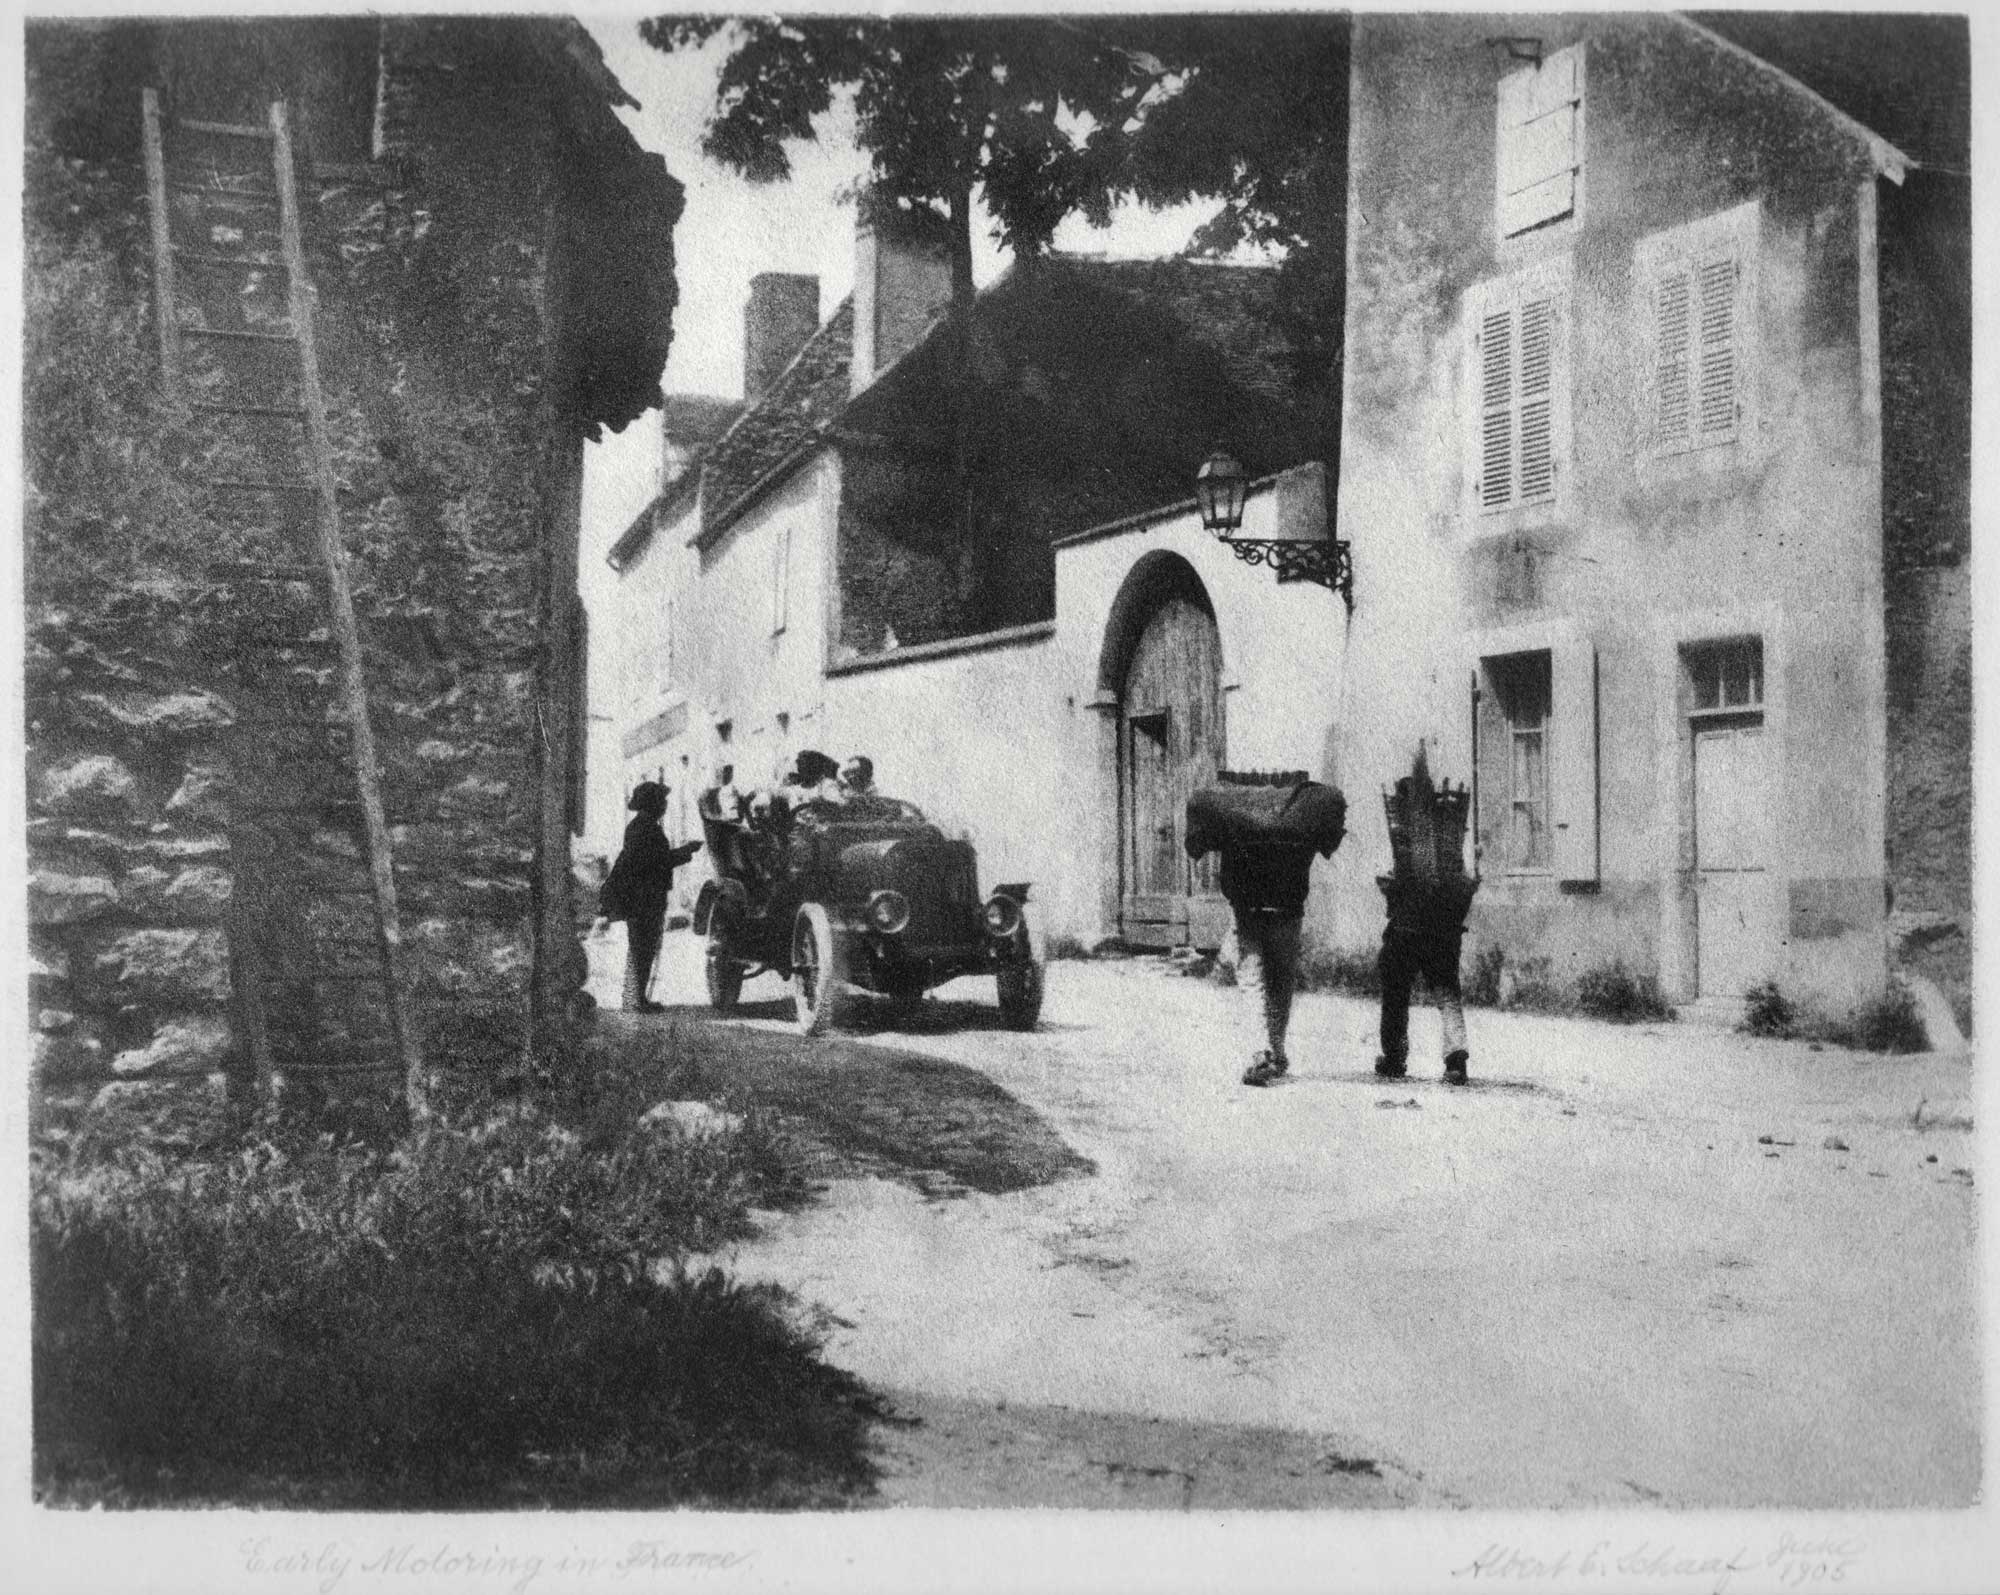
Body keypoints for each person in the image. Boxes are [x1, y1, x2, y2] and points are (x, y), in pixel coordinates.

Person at [1186, 769, 1347, 1088]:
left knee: (1252, 978)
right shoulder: (1300, 819)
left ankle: (1262, 1053)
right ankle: (1278, 1050)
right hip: (1288, 908)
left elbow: (1203, 840)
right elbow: (1325, 841)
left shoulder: (1235, 818)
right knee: (1281, 981)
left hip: (1248, 908)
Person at [1374, 745, 1479, 1085]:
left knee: (1395, 994)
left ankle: (1394, 1057)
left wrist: (1390, 887)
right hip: (1442, 932)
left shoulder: (1402, 841)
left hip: (1405, 931)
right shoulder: (1448, 838)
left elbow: (1390, 886)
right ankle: (1456, 1059)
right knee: (1447, 992)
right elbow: (1464, 884)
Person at [598, 780, 700, 1013]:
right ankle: (635, 1000)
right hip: (644, 899)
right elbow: (656, 862)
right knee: (642, 949)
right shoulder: (645, 828)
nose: (664, 805)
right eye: (661, 801)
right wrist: (686, 851)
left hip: (643, 898)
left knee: (641, 949)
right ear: (652, 803)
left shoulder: (641, 826)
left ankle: (635, 999)